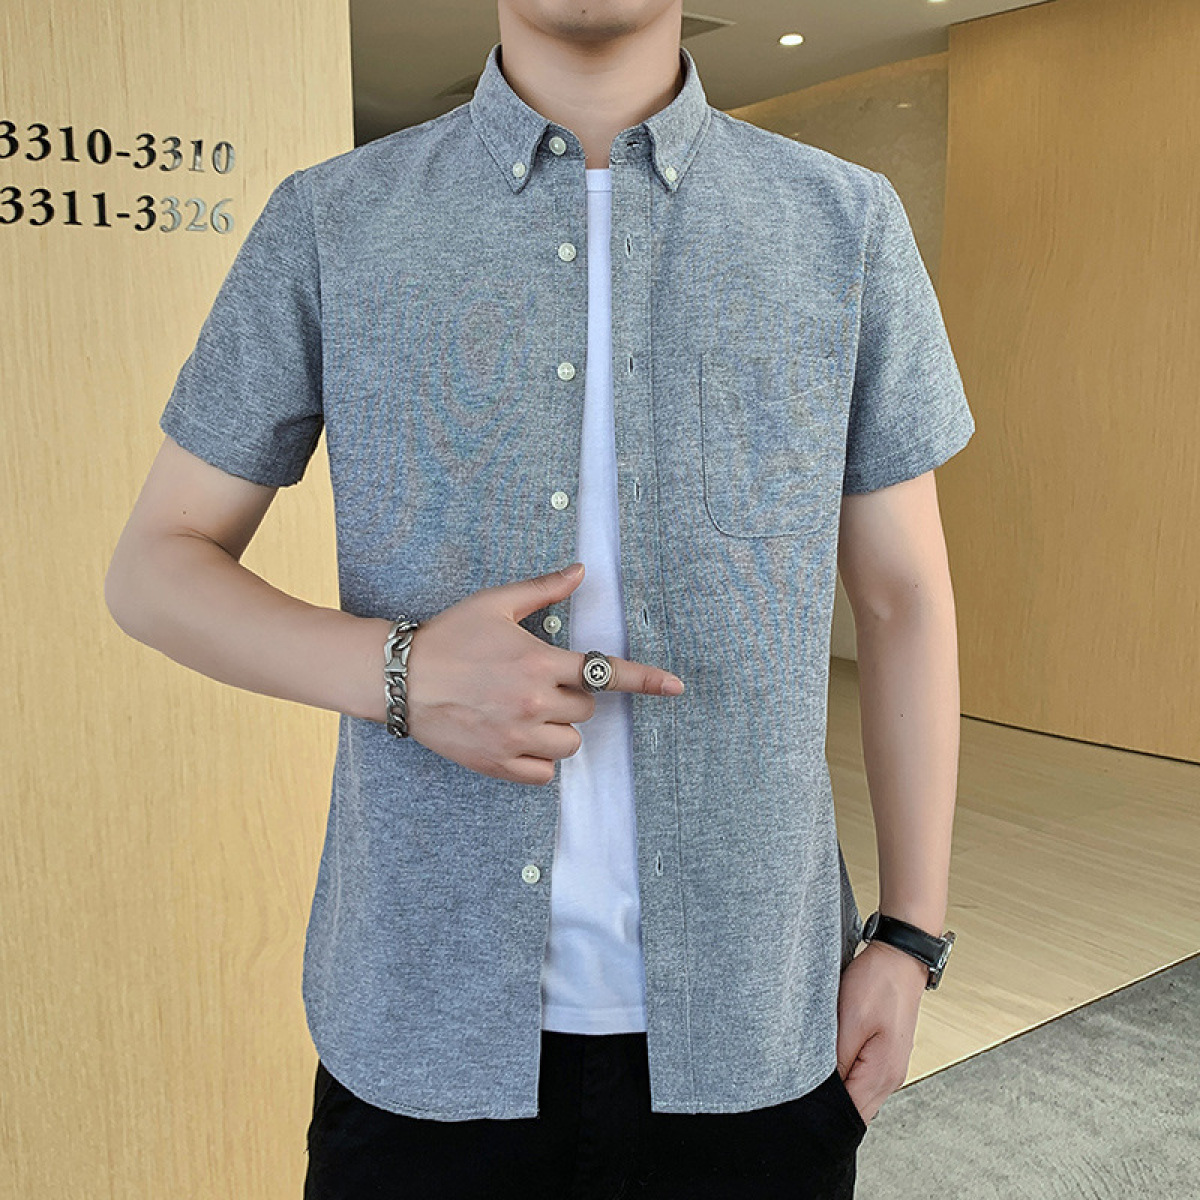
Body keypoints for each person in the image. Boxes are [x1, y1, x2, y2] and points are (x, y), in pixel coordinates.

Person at [105, 1, 974, 1196]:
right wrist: (403, 673)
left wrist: (911, 937)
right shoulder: (333, 220)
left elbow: (904, 602)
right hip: (422, 1028)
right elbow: (154, 566)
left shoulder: (844, 221)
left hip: (756, 1030)